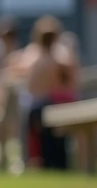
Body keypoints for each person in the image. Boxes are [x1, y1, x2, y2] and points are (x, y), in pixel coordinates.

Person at [23, 17, 75, 170]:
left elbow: (31, 87)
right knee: (53, 141)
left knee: (45, 141)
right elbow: (68, 85)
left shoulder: (35, 59)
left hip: (39, 107)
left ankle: (43, 163)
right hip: (49, 106)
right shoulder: (57, 60)